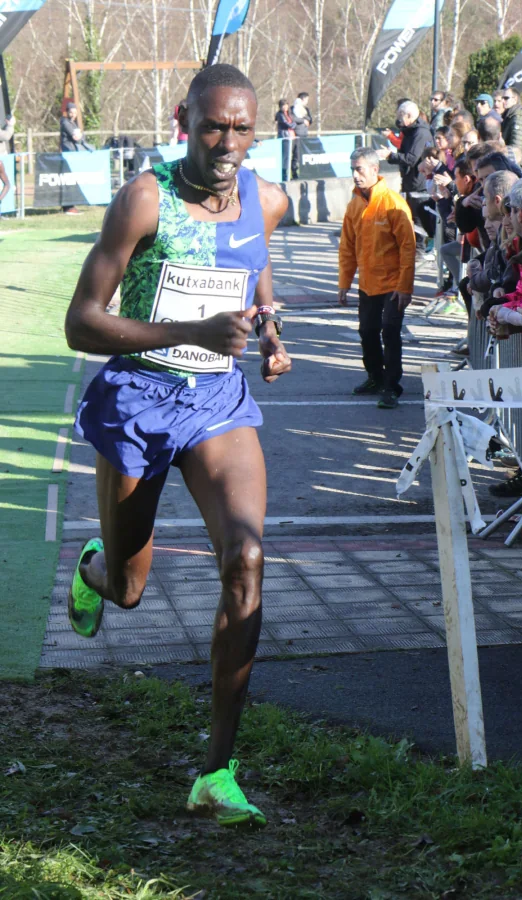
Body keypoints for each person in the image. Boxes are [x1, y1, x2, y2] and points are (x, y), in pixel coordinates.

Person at [64, 63, 291, 829]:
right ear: (182, 119)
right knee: (130, 590)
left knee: (248, 559)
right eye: (212, 126)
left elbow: (256, 274)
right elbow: (82, 322)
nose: (227, 143)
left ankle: (217, 771)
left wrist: (270, 332)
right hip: (140, 398)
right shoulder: (146, 199)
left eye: (241, 128)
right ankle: (94, 572)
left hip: (217, 404)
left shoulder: (268, 199)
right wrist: (190, 332)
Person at [338, 147, 415, 409]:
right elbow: (347, 247)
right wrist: (344, 282)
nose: (355, 175)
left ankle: (391, 387)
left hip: (393, 285)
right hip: (368, 285)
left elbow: (408, 247)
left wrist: (405, 287)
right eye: (353, 169)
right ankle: (375, 377)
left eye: (359, 169)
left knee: (390, 331)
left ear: (374, 169)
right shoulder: (354, 205)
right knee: (367, 332)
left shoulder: (393, 203)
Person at [377, 100, 431, 258]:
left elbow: (411, 158)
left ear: (409, 115)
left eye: (400, 115)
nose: (398, 118)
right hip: (409, 180)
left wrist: (390, 156)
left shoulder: (420, 133)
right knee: (409, 215)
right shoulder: (410, 132)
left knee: (418, 217)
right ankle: (411, 246)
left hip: (418, 182)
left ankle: (419, 249)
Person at [59, 101, 93, 215]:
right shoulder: (65, 122)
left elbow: (80, 136)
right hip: (69, 154)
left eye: (75, 112)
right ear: (67, 112)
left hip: (73, 154)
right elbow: (76, 137)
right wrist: (80, 137)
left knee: (72, 180)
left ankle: (69, 205)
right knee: (69, 181)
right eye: (71, 112)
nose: (73, 114)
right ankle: (68, 207)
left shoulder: (72, 123)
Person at [500, 87, 522, 157]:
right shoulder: (510, 115)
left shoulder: (518, 117)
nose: (502, 101)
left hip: (517, 162)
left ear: (515, 99)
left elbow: (516, 146)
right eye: (502, 98)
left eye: (506, 98)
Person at [274, 99, 295, 181]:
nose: (285, 107)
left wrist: (292, 125)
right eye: (283, 105)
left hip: (290, 136)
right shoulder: (279, 114)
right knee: (285, 157)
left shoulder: (289, 113)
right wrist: (292, 125)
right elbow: (286, 124)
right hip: (284, 136)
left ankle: (289, 173)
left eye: (286, 105)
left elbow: (294, 122)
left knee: (290, 156)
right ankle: (284, 174)